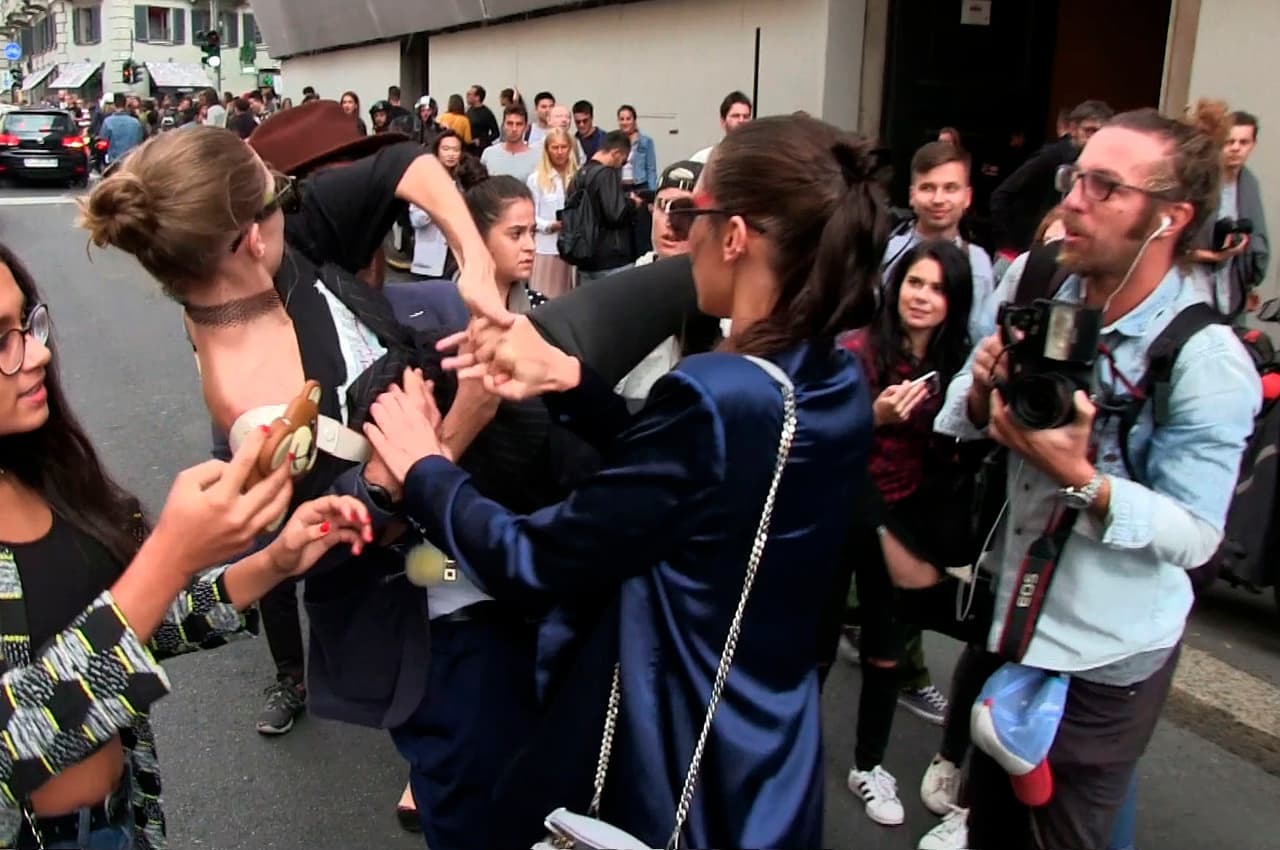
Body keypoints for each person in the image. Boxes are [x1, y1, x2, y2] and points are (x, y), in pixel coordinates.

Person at [361, 114, 884, 849]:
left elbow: (536, 556)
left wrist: (426, 468)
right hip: (768, 744)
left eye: (686, 212)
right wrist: (570, 378)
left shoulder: (719, 393)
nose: (678, 230)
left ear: (734, 237)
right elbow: (689, 483)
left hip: (674, 753)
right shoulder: (831, 380)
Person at [934, 102, 1260, 850]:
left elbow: (1199, 536)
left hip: (1106, 658)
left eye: (1104, 188)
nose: (1072, 202)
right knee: (991, 829)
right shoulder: (1037, 282)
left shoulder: (1204, 360)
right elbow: (958, 407)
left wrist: (1084, 480)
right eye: (1074, 179)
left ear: (1170, 217)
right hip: (1011, 622)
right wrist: (984, 392)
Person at [0, 241, 371, 848]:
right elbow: (11, 746)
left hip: (123, 823)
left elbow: (125, 630)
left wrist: (271, 562)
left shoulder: (39, 474)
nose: (38, 352)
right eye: (1, 341)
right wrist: (171, 552)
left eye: (27, 323)